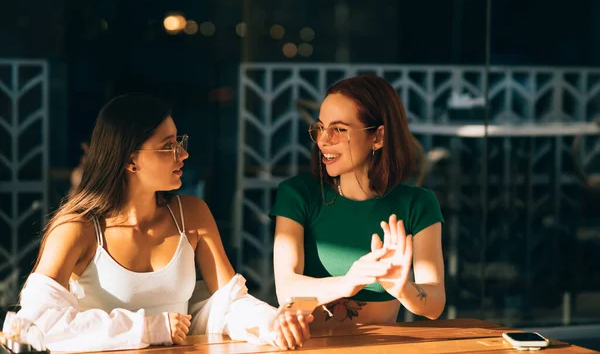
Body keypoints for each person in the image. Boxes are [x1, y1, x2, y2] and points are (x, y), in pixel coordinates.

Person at [12, 94, 312, 352]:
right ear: (131, 161)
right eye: (168, 146)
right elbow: (37, 321)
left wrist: (273, 322)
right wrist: (148, 328)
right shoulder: (77, 229)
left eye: (179, 141)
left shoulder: (192, 214)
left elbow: (229, 302)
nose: (183, 154)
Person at [271, 74, 445, 326]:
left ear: (378, 137)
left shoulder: (417, 204)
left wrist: (403, 288)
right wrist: (349, 282)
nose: (322, 140)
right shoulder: (298, 194)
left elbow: (435, 304)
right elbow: (286, 291)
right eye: (320, 127)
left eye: (339, 130)